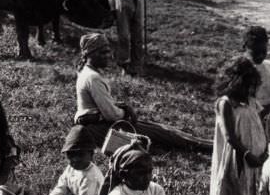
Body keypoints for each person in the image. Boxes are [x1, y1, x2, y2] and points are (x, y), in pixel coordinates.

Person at [75, 32, 211, 152]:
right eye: (102, 52)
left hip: (98, 126)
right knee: (162, 134)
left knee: (160, 128)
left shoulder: (87, 73)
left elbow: (101, 108)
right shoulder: (93, 78)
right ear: (89, 54)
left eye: (107, 51)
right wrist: (126, 112)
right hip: (100, 130)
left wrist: (123, 108)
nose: (107, 56)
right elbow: (111, 115)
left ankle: (202, 142)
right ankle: (205, 146)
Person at [209, 57, 268, 195]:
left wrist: (264, 150)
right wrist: (246, 154)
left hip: (255, 159)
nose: (250, 89)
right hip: (239, 160)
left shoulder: (251, 102)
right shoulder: (226, 103)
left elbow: (260, 126)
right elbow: (230, 137)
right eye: (246, 84)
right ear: (235, 82)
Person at [243, 25, 270, 118]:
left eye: (263, 51)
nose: (260, 56)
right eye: (256, 52)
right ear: (244, 47)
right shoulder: (241, 69)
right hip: (252, 117)